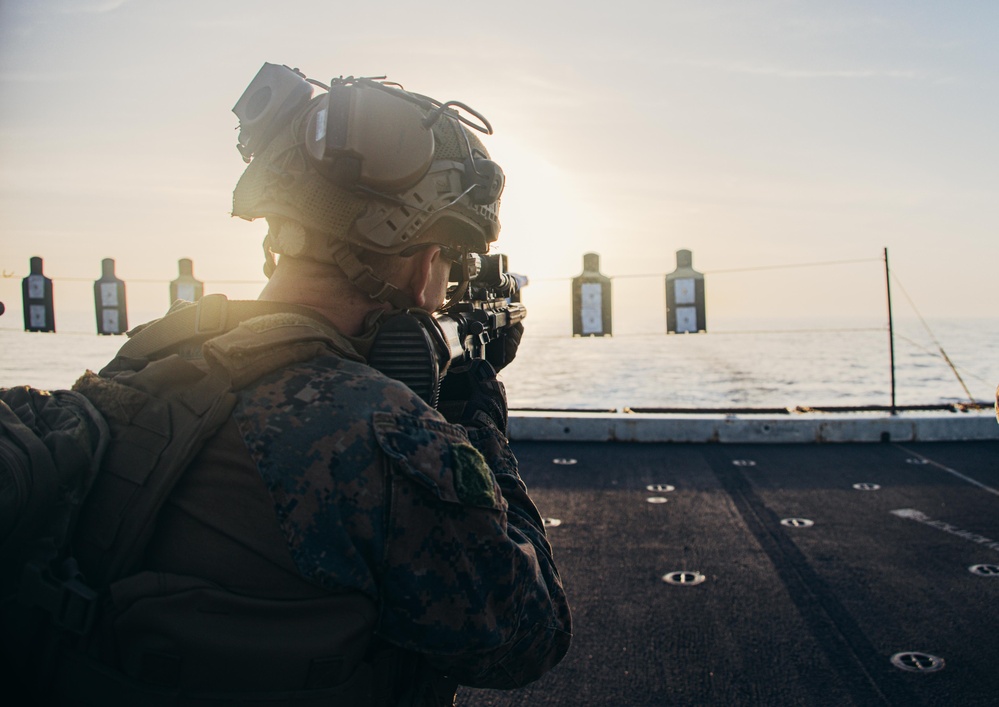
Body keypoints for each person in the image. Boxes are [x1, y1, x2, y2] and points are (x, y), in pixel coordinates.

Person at [30, 65, 571, 705]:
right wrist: (479, 428)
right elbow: (526, 638)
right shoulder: (385, 435)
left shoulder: (154, 354)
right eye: (451, 263)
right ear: (427, 262)